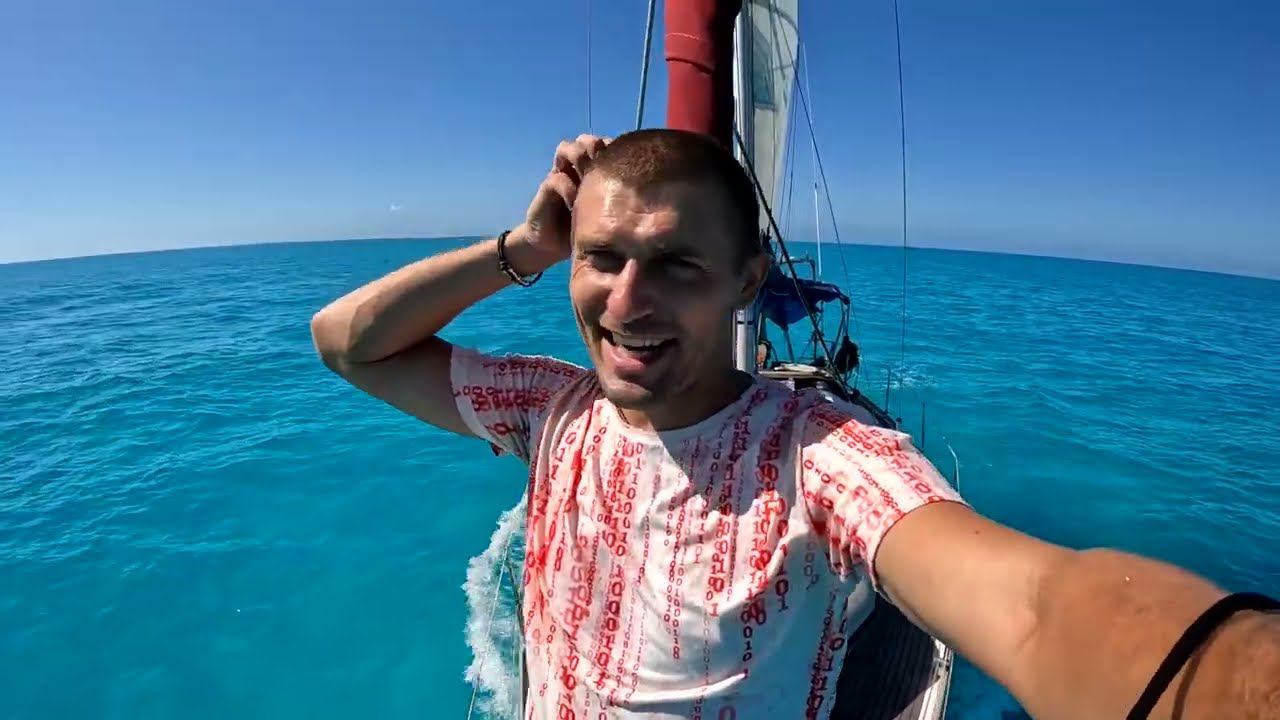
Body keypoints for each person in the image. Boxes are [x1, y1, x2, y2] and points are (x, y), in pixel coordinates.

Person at [310, 130, 1279, 720]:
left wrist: (1237, 678)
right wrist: (522, 247)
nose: (626, 301)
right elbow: (347, 343)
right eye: (600, 257)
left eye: (675, 265)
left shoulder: (818, 457)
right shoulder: (550, 409)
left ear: (745, 282)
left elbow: (1034, 609)